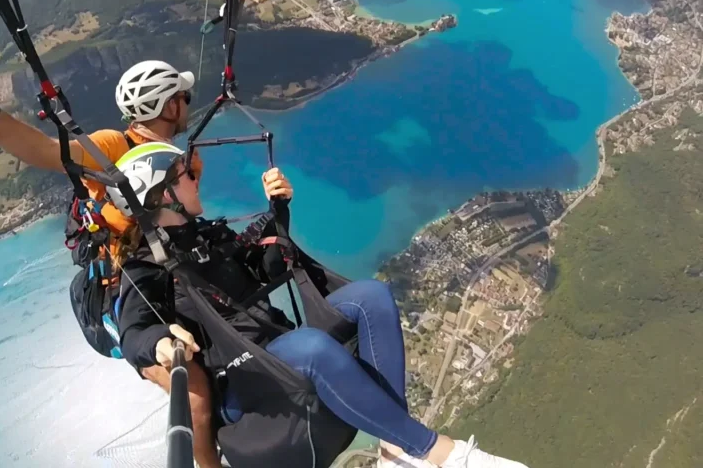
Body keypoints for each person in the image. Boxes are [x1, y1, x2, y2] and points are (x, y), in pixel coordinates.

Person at [106, 142, 531, 468]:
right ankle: (440, 453)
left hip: (275, 349)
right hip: (240, 380)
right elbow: (133, 332)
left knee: (371, 298)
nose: (196, 179)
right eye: (186, 175)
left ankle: (395, 448)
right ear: (162, 196)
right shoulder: (146, 269)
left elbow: (267, 267)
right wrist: (160, 340)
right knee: (309, 346)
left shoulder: (207, 238)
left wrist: (278, 210)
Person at [0, 58, 223, 468]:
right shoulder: (113, 147)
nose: (189, 103)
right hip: (127, 290)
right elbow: (45, 151)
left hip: (170, 274)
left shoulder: (173, 157)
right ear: (168, 106)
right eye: (183, 97)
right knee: (193, 392)